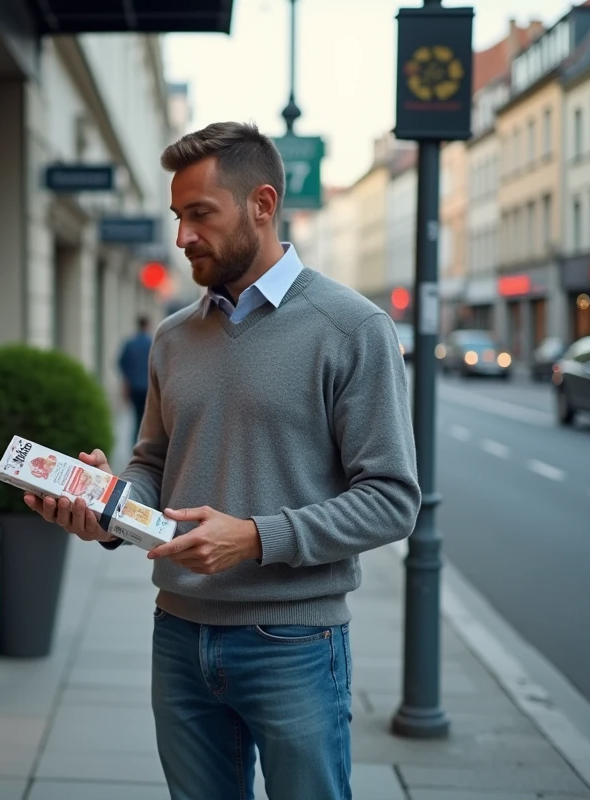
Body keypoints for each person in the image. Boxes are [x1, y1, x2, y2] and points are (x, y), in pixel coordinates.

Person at [23, 121, 420, 800]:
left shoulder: (352, 329)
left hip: (292, 643)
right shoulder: (174, 337)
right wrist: (111, 505)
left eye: (200, 214)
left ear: (261, 205)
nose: (182, 238)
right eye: (178, 217)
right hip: (178, 634)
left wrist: (257, 537)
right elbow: (154, 459)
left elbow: (392, 499)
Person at [118, 315, 154, 435]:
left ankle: (136, 443)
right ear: (147, 325)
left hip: (134, 386)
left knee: (136, 416)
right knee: (147, 418)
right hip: (149, 387)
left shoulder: (130, 343)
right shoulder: (152, 343)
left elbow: (121, 363)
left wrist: (128, 379)